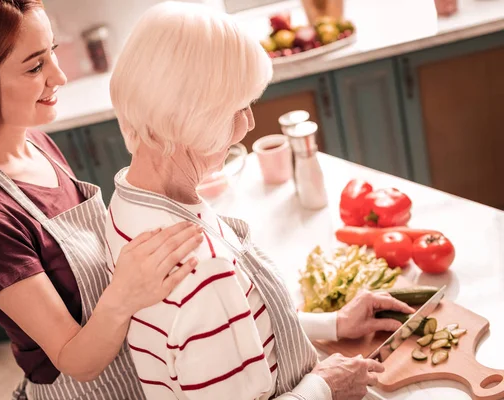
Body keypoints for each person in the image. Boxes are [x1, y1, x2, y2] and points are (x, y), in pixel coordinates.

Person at [106, 2, 415, 400]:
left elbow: (238, 334)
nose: (249, 123)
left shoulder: (128, 204)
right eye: (238, 107)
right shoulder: (202, 269)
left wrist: (332, 323)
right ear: (192, 116)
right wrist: (326, 387)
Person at [0, 0, 204, 398]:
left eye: (52, 51)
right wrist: (126, 292)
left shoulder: (36, 142)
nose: (60, 76)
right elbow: (75, 359)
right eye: (35, 67)